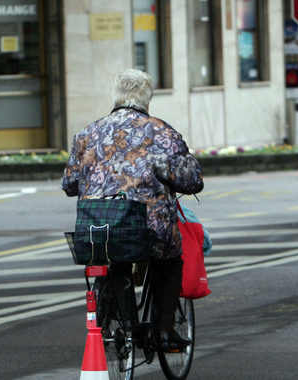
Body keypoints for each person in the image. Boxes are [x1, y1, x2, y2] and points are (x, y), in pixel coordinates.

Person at [62, 69, 204, 351]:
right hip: (147, 226)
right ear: (147, 100)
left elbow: (69, 184)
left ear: (115, 96)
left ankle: (122, 323)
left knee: (115, 256)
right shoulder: (160, 132)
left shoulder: (86, 134)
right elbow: (191, 180)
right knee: (170, 261)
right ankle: (164, 331)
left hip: (97, 227)